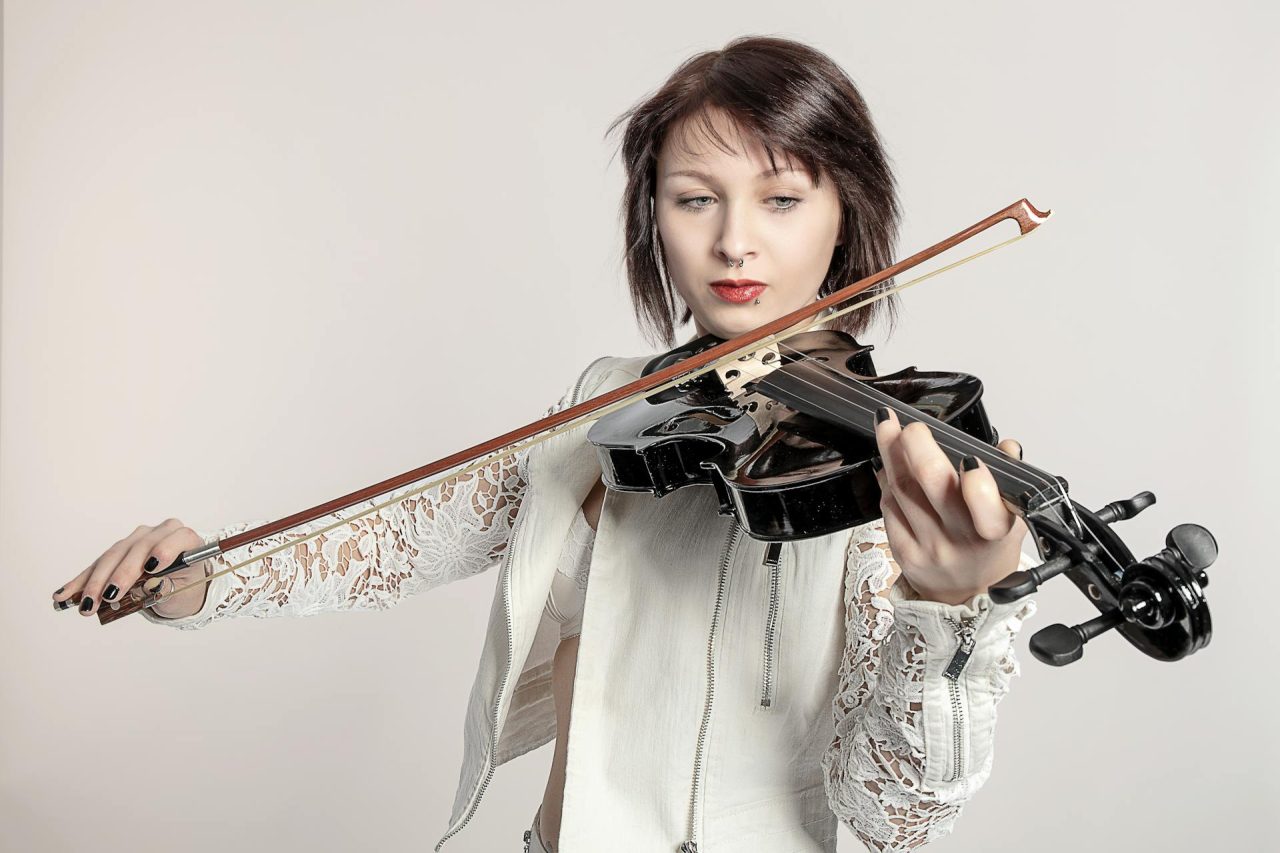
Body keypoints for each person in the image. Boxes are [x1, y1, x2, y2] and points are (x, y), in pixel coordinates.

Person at [52, 36, 1037, 853]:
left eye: (780, 199)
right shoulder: (613, 405)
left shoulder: (890, 462)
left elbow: (895, 815)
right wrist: (204, 574)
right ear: (652, 214)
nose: (735, 242)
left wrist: (948, 610)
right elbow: (407, 532)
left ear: (843, 214)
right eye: (695, 198)